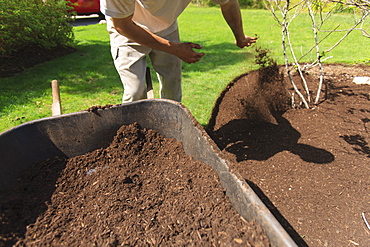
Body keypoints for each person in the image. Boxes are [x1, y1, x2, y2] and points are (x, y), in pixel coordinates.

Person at [100, 0, 257, 103]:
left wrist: (240, 37)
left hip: (166, 26)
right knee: (135, 91)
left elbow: (228, 2)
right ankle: (133, 137)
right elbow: (122, 25)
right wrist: (175, 49)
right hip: (129, 29)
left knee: (172, 85)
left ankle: (172, 131)